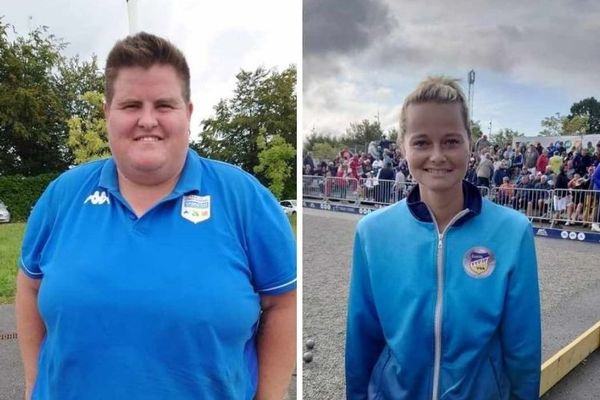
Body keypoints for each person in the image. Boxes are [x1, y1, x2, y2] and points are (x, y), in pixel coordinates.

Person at [16, 32, 296, 400]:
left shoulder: (244, 198)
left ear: (188, 113)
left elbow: (283, 303)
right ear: (107, 114)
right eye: (131, 105)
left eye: (164, 105)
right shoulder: (63, 195)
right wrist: (33, 383)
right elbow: (30, 286)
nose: (147, 120)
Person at [345, 77, 541, 399]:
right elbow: (362, 339)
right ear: (403, 147)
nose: (437, 155)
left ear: (470, 143)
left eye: (451, 141)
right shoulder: (373, 232)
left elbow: (523, 347)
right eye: (422, 143)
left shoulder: (512, 231)